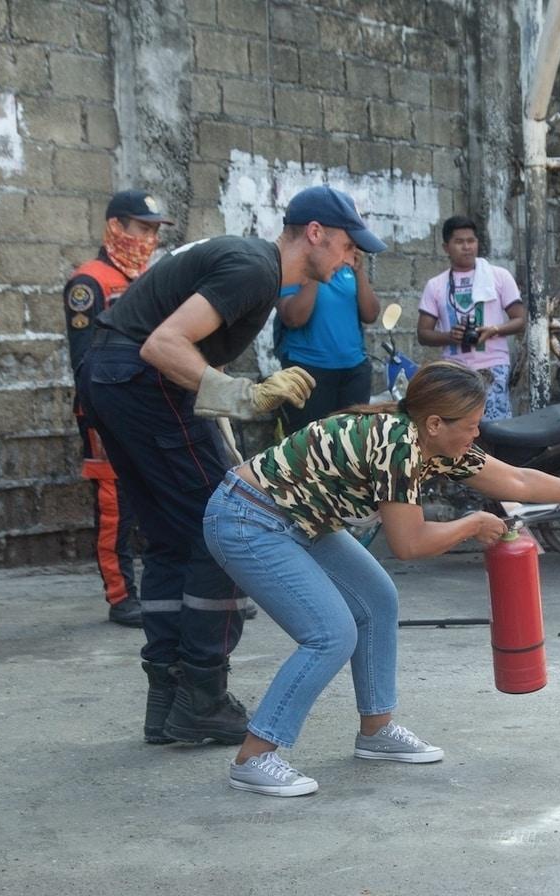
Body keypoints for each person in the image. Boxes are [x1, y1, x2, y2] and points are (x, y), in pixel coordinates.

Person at [203, 362, 560, 797]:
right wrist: (470, 525)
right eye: (469, 426)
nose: (475, 435)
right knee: (331, 634)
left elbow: (517, 479)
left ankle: (376, 731)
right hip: (249, 518)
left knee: (377, 599)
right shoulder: (398, 446)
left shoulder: (436, 442)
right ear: (433, 423)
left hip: (303, 519)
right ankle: (254, 756)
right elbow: (408, 544)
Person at [79, 184, 383, 747]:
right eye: (347, 246)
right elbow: (163, 344)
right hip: (140, 380)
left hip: (110, 378)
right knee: (225, 525)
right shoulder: (254, 269)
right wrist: (246, 396)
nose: (350, 259)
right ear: (314, 233)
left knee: (175, 538)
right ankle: (203, 695)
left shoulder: (252, 266)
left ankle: (168, 699)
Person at [65, 189, 174, 628]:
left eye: (153, 230)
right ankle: (121, 595)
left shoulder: (147, 278)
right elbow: (83, 360)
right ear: (116, 227)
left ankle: (159, 591)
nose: (147, 238)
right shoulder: (88, 283)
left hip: (148, 406)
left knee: (155, 499)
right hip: (105, 408)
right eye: (141, 227)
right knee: (114, 506)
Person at [416, 217, 525, 421]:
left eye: (471, 241)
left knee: (496, 428)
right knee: (457, 428)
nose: (467, 247)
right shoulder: (436, 285)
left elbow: (520, 320)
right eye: (459, 242)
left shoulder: (499, 276)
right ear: (446, 247)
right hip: (455, 369)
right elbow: (423, 333)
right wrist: (450, 336)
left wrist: (494, 329)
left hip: (493, 366)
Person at [274, 249, 380, 432]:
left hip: (353, 370)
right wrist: (317, 272)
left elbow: (371, 314)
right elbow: (294, 318)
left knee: (352, 443)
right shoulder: (293, 268)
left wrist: (359, 271)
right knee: (310, 443)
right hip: (309, 371)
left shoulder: (347, 269)